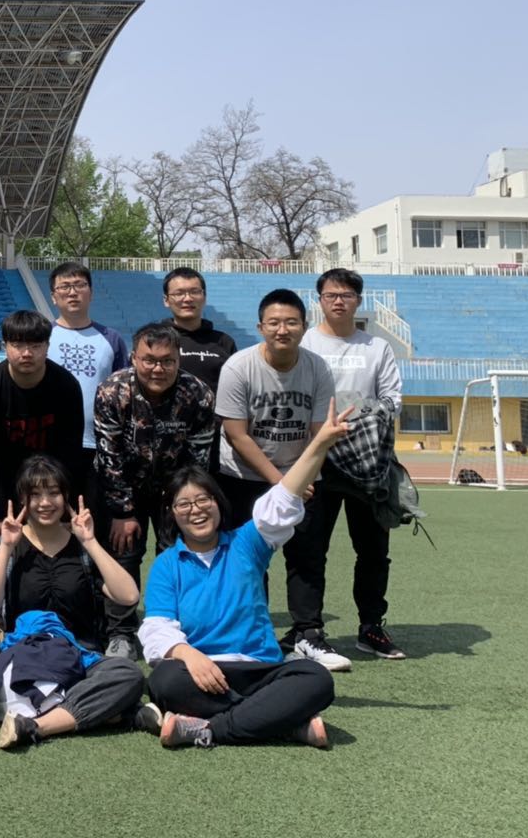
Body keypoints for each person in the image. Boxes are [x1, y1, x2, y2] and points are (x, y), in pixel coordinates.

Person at [138, 402, 352, 749]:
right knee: (164, 680)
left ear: (218, 503)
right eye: (184, 504)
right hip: (204, 672)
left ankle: (208, 729)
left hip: (261, 670)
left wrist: (320, 443)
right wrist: (190, 656)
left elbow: (282, 500)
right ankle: (283, 723)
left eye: (203, 500)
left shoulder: (247, 543)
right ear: (172, 514)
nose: (196, 510)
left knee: (315, 678)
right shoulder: (166, 564)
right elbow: (156, 628)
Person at [0, 455, 150, 749]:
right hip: (25, 658)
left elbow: (128, 596)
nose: (45, 503)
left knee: (128, 675)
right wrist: (5, 546)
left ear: (66, 496)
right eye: (35, 494)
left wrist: (90, 541)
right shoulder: (10, 546)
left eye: (53, 493)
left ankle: (36, 725)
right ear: (23, 500)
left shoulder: (81, 547)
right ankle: (115, 713)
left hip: (80, 658)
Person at [214, 289, 341, 670]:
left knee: (307, 557)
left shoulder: (317, 368)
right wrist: (281, 484)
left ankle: (307, 633)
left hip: (303, 473)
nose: (282, 329)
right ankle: (256, 633)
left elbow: (320, 432)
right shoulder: (238, 367)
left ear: (304, 326)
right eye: (274, 322)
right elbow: (237, 435)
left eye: (291, 322)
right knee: (249, 558)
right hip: (246, 476)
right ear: (260, 327)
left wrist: (300, 478)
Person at [293, 268, 407, 661]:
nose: (338, 301)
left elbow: (392, 399)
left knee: (373, 551)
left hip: (367, 464)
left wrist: (359, 423)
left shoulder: (377, 347)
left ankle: (371, 627)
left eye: (346, 295)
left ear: (359, 300)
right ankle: (308, 629)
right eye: (331, 295)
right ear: (319, 300)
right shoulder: (305, 342)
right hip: (316, 461)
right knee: (309, 549)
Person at [95, 323, 216, 659]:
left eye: (167, 361)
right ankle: (121, 632)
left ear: (178, 360)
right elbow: (108, 455)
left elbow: (198, 459)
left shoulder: (199, 394)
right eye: (149, 360)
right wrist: (123, 512)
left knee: (177, 556)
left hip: (175, 491)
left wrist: (182, 507)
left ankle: (175, 627)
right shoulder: (112, 391)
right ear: (134, 358)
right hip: (124, 486)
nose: (157, 369)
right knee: (123, 553)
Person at [0, 310, 84, 522]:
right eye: (18, 345)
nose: (26, 353)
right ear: (5, 346)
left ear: (47, 346)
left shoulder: (66, 385)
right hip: (8, 478)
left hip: (51, 478)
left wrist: (65, 499)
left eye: (35, 346)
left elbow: (71, 449)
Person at [46, 262, 129, 504]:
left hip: (99, 443)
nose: (72, 292)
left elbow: (122, 393)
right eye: (65, 287)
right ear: (53, 296)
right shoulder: (42, 336)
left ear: (91, 293)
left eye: (79, 285)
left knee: (96, 515)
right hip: (51, 442)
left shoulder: (112, 339)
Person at [161, 268, 238, 392]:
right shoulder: (156, 340)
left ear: (204, 297)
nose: (187, 299)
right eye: (179, 293)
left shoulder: (224, 342)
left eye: (195, 292)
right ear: (166, 300)